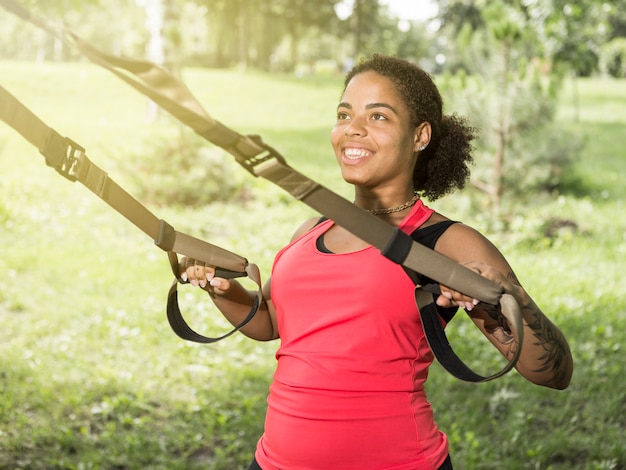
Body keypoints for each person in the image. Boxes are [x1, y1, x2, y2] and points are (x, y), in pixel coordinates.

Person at [180, 54, 573, 470]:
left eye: (379, 116)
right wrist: (223, 289)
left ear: (420, 135)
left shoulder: (445, 242)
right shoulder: (310, 231)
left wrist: (505, 297)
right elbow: (273, 325)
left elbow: (553, 372)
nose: (353, 128)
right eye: (344, 113)